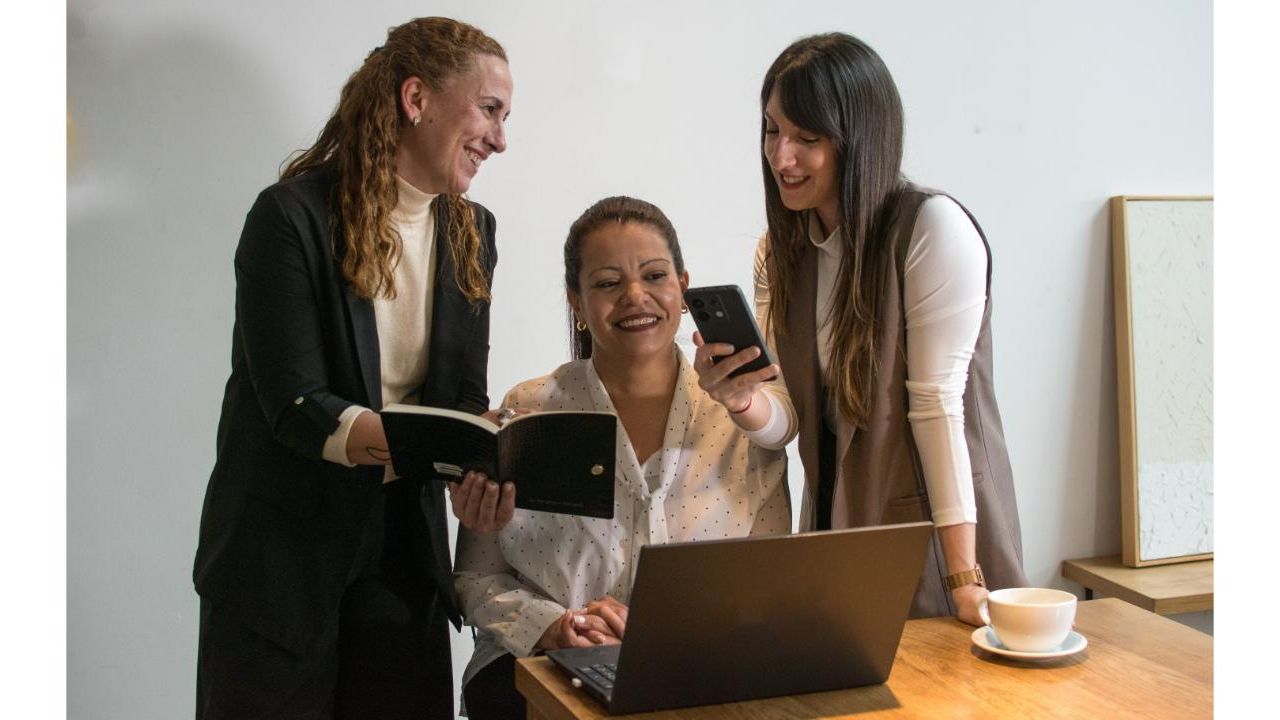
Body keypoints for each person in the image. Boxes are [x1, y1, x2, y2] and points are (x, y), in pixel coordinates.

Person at [192, 17, 517, 719]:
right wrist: (430, 443)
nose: (499, 137)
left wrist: (483, 463)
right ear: (416, 99)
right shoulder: (289, 218)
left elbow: (459, 397)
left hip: (403, 557)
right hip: (278, 566)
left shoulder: (474, 232)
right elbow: (295, 406)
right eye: (489, 109)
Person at [694, 32, 1029, 627]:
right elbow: (790, 423)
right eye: (772, 130)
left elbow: (937, 408)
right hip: (835, 533)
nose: (781, 157)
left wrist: (964, 579)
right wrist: (741, 399)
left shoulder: (930, 227)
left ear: (860, 141)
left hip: (940, 532)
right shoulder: (780, 252)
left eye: (807, 138)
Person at [454, 197, 791, 719]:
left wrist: (671, 638)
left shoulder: (744, 419)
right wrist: (554, 627)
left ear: (683, 286)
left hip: (694, 667)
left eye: (654, 276)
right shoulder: (526, 411)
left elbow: (769, 580)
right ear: (576, 301)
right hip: (543, 666)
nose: (635, 297)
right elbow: (477, 579)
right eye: (608, 283)